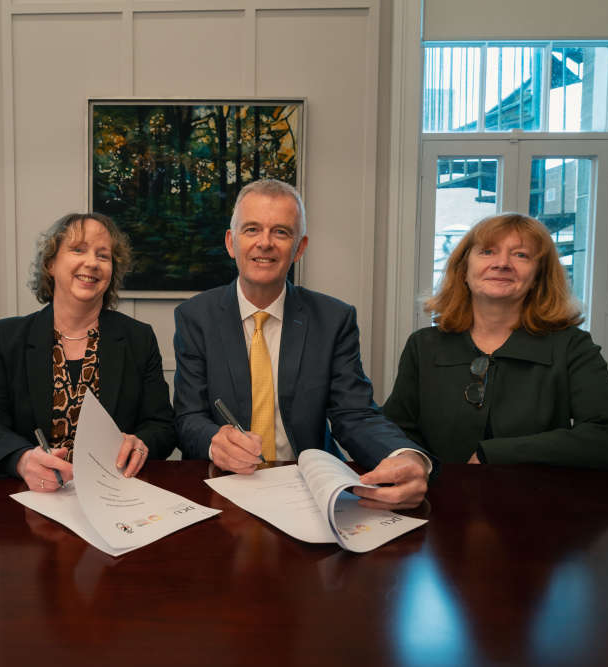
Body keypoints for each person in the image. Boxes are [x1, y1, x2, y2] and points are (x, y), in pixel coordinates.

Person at [173, 179, 430, 510]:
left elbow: (355, 414)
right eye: (251, 229)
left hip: (308, 490)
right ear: (231, 242)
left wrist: (405, 455)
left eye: (281, 232)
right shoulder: (196, 317)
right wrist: (212, 441)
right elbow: (188, 415)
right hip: (224, 488)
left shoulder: (333, 319)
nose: (264, 243)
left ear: (300, 247)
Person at [383, 212, 608, 471]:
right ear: (463, 270)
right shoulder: (423, 345)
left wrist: (497, 454)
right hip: (439, 501)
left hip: (537, 503)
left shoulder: (571, 345)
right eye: (487, 252)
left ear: (538, 277)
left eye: (521, 255)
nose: (502, 263)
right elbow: (395, 432)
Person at [0, 212, 176, 491]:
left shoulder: (139, 338)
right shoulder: (6, 337)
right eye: (78, 250)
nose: (92, 263)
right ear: (51, 263)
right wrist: (21, 459)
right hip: (30, 495)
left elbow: (162, 426)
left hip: (114, 495)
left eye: (103, 255)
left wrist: (142, 443)